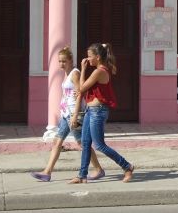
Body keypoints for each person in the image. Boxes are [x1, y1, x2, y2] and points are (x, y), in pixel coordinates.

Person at [30, 46, 104, 182]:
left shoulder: (75, 73)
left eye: (64, 61)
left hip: (73, 114)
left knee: (82, 143)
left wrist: (75, 115)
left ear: (70, 61)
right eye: (59, 61)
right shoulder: (67, 73)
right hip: (66, 114)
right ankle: (47, 172)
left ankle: (98, 169)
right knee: (57, 141)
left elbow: (79, 94)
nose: (61, 64)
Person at [69, 43, 135, 184]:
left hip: (97, 112)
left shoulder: (99, 71)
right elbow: (84, 89)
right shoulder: (99, 70)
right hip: (90, 110)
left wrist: (83, 68)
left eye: (90, 56)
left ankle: (127, 166)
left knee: (99, 145)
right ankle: (82, 176)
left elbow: (81, 88)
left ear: (98, 57)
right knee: (86, 143)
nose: (87, 59)